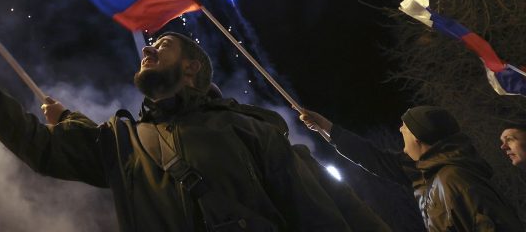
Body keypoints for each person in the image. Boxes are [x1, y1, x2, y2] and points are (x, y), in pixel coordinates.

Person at [0, 33, 355, 231]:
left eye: (164, 44)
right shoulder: (127, 144)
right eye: (150, 45)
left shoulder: (248, 128)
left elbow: (318, 216)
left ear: (191, 68)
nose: (147, 48)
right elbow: (38, 146)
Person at [42, 83, 391, 232]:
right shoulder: (261, 138)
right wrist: (69, 119)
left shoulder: (255, 139)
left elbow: (334, 212)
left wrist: (69, 120)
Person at [299, 106, 522, 231]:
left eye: (405, 127)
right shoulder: (426, 172)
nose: (400, 130)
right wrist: (327, 128)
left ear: (418, 136)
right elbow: (374, 159)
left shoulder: (455, 180)